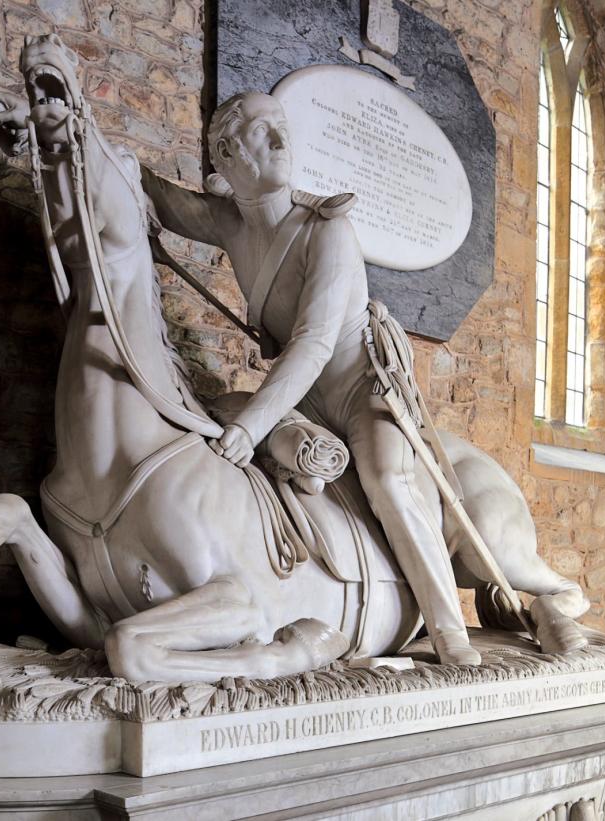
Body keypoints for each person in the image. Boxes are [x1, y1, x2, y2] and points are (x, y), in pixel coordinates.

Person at [141, 91, 481, 666]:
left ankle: (449, 633)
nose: (281, 141)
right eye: (262, 131)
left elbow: (315, 343)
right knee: (214, 409)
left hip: (357, 391)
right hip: (307, 403)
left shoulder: (327, 230)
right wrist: (64, 133)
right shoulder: (230, 223)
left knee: (387, 479)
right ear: (226, 153)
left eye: (283, 129)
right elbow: (157, 195)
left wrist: (252, 428)